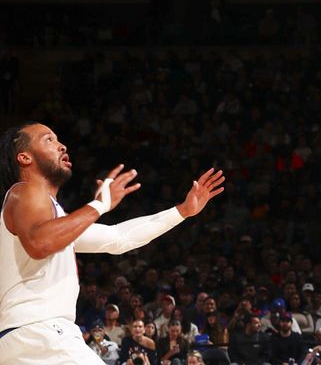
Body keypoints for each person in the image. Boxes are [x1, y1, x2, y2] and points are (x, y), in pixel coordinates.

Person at [0, 122, 225, 365]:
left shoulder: (53, 220)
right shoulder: (25, 191)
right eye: (48, 140)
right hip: (41, 334)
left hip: (23, 339)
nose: (62, 145)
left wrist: (181, 211)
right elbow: (39, 242)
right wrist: (99, 205)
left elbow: (118, 238)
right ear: (24, 157)